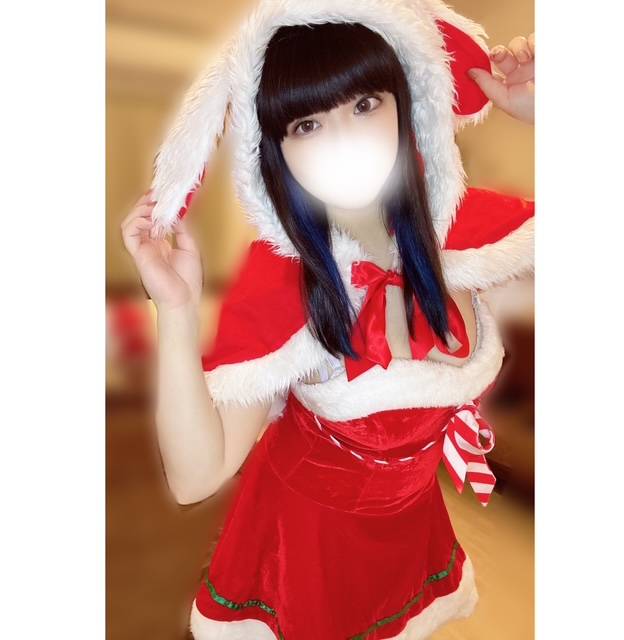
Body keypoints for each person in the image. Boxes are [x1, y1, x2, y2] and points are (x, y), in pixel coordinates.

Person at [121, 2, 534, 638]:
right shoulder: (283, 281)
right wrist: (175, 311)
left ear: (408, 104)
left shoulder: (469, 235)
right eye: (307, 123)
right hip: (305, 546)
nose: (344, 141)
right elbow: (195, 478)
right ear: (275, 151)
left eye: (365, 104)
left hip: (408, 525)